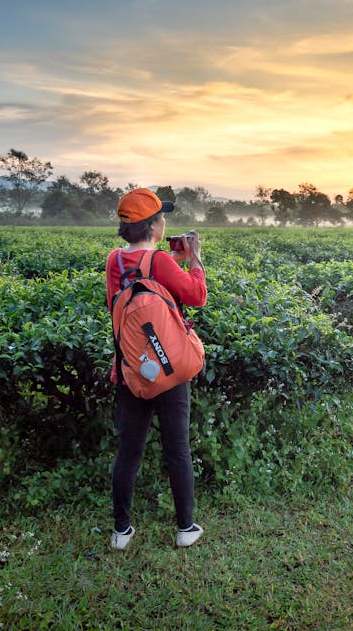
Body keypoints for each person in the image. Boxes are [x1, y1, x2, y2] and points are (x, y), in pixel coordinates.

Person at [106, 187, 207, 550]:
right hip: (168, 370)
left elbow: (129, 299)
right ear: (153, 226)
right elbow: (196, 297)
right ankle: (185, 529)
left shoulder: (114, 261)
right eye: (161, 217)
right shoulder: (161, 261)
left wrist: (171, 262)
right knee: (177, 449)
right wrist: (193, 259)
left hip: (130, 369)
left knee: (128, 452)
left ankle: (121, 533)